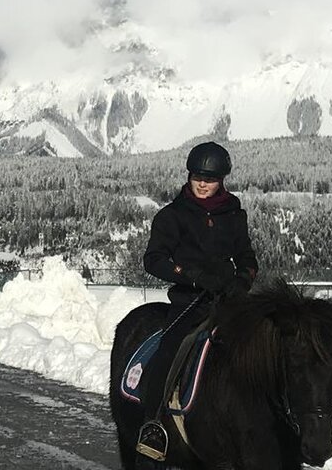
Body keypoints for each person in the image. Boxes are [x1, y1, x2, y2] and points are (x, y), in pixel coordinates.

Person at [134, 141, 258, 459]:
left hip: (228, 299)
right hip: (189, 300)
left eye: (209, 179)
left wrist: (243, 279)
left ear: (221, 181)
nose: (202, 184)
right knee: (170, 347)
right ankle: (153, 423)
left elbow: (246, 256)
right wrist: (191, 276)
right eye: (197, 177)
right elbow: (154, 259)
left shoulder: (234, 214)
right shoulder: (172, 216)